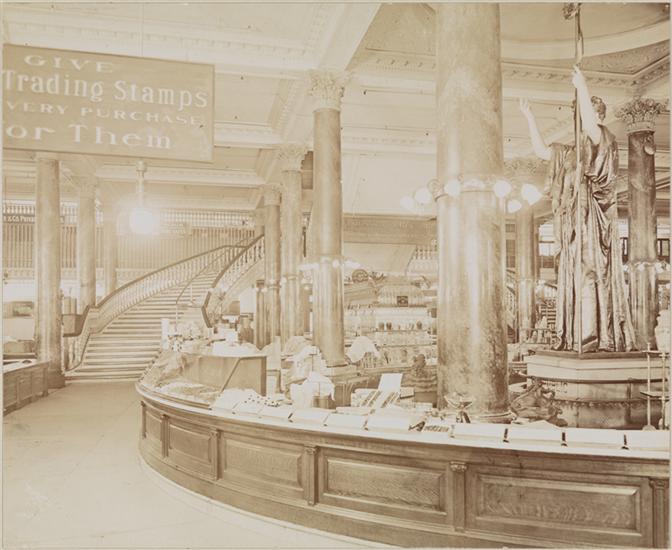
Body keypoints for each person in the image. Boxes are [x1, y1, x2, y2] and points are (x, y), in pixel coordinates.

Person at [519, 66, 635, 352]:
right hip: (573, 225)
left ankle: (594, 336)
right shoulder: (570, 153)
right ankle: (575, 336)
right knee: (573, 277)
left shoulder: (602, 139)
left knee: (589, 275)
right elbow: (542, 151)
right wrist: (529, 117)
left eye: (585, 114)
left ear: (598, 116)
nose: (580, 119)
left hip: (592, 225)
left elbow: (590, 128)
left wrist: (582, 87)